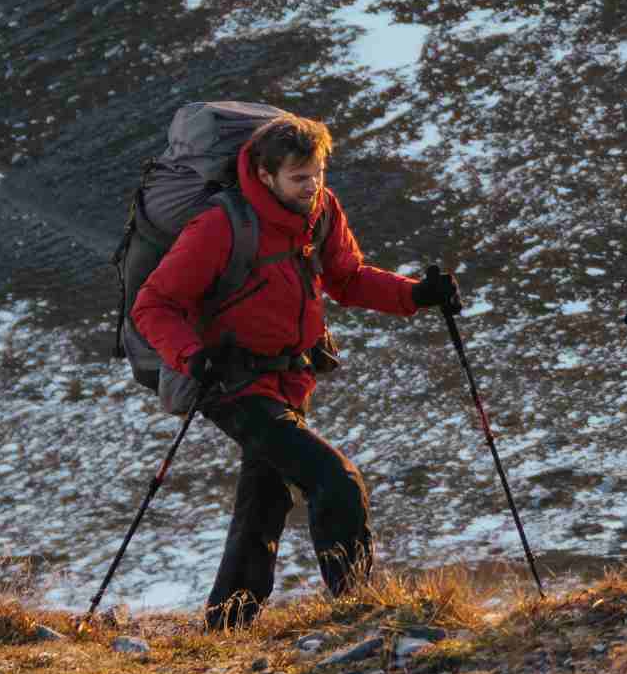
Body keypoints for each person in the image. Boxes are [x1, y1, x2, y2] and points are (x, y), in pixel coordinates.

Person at [129, 114, 460, 627]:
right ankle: (359, 611)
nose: (313, 187)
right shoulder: (220, 225)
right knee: (336, 480)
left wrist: (415, 294)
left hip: (289, 377)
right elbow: (153, 305)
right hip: (230, 382)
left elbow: (346, 278)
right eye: (299, 178)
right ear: (264, 175)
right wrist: (192, 357)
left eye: (318, 174)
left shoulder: (320, 210)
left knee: (265, 497)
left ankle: (228, 625)